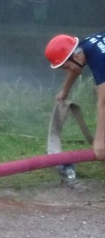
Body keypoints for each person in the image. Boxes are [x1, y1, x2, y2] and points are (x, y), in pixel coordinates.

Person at [45, 32, 105, 162]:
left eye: (66, 67)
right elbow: (75, 68)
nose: (67, 70)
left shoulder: (101, 60)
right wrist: (65, 90)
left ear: (76, 56)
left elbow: (104, 103)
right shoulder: (85, 46)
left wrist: (100, 142)